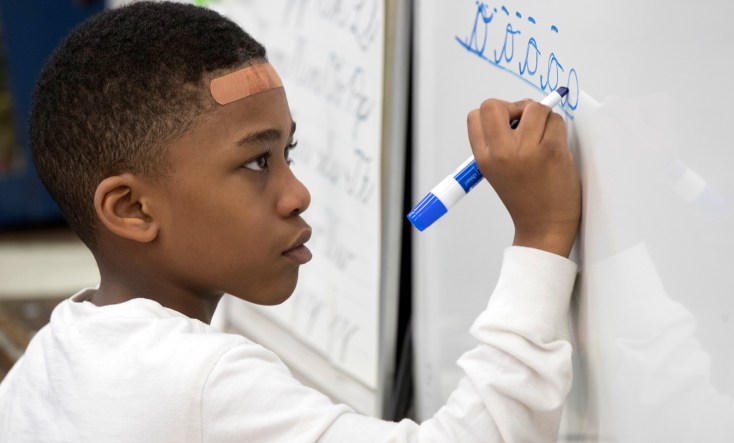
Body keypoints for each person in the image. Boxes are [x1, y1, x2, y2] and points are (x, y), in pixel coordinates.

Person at [0, 2, 581, 441]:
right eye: (256, 162)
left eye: (288, 153)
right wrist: (542, 236)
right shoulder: (200, 382)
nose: (297, 193)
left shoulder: (55, 353)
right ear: (132, 209)